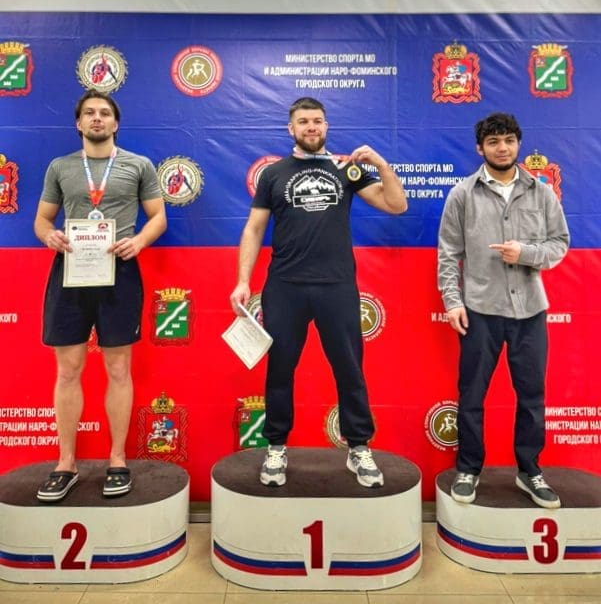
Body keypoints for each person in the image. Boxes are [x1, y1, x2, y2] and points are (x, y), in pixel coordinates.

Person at [230, 97, 407, 488]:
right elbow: (254, 229)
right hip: (285, 287)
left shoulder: (347, 169)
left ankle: (359, 448)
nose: (311, 127)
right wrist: (243, 280)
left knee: (349, 369)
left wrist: (380, 164)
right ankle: (276, 447)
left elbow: (396, 205)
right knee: (280, 370)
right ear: (291, 129)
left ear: (326, 126)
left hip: (337, 286)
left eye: (317, 121)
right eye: (303, 121)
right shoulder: (273, 174)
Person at [33, 90, 167, 502]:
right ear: (78, 123)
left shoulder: (138, 165)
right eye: (89, 113)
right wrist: (49, 236)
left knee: (119, 368)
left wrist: (139, 241)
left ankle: (117, 459)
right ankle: (66, 463)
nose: (97, 118)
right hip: (71, 270)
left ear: (115, 123)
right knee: (68, 370)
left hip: (118, 271)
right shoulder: (60, 167)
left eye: (104, 113)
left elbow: (158, 217)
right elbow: (42, 220)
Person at [437, 112, 569, 509]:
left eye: (509, 140)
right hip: (480, 310)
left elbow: (560, 243)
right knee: (472, 395)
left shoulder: (541, 193)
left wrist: (525, 253)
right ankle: (468, 469)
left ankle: (529, 471)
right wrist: (452, 301)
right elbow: (448, 254)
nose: (502, 148)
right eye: (494, 141)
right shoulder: (462, 194)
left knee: (531, 396)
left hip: (530, 311)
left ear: (518, 144)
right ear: (480, 148)